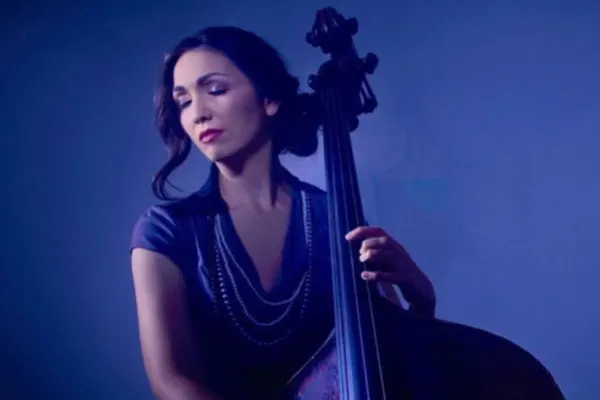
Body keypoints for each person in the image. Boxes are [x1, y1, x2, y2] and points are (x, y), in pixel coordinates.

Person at [130, 26, 437, 400]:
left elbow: (392, 354)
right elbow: (171, 380)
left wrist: (421, 300)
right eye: (183, 102)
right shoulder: (166, 229)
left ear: (270, 99)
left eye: (215, 90)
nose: (198, 114)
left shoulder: (337, 217)